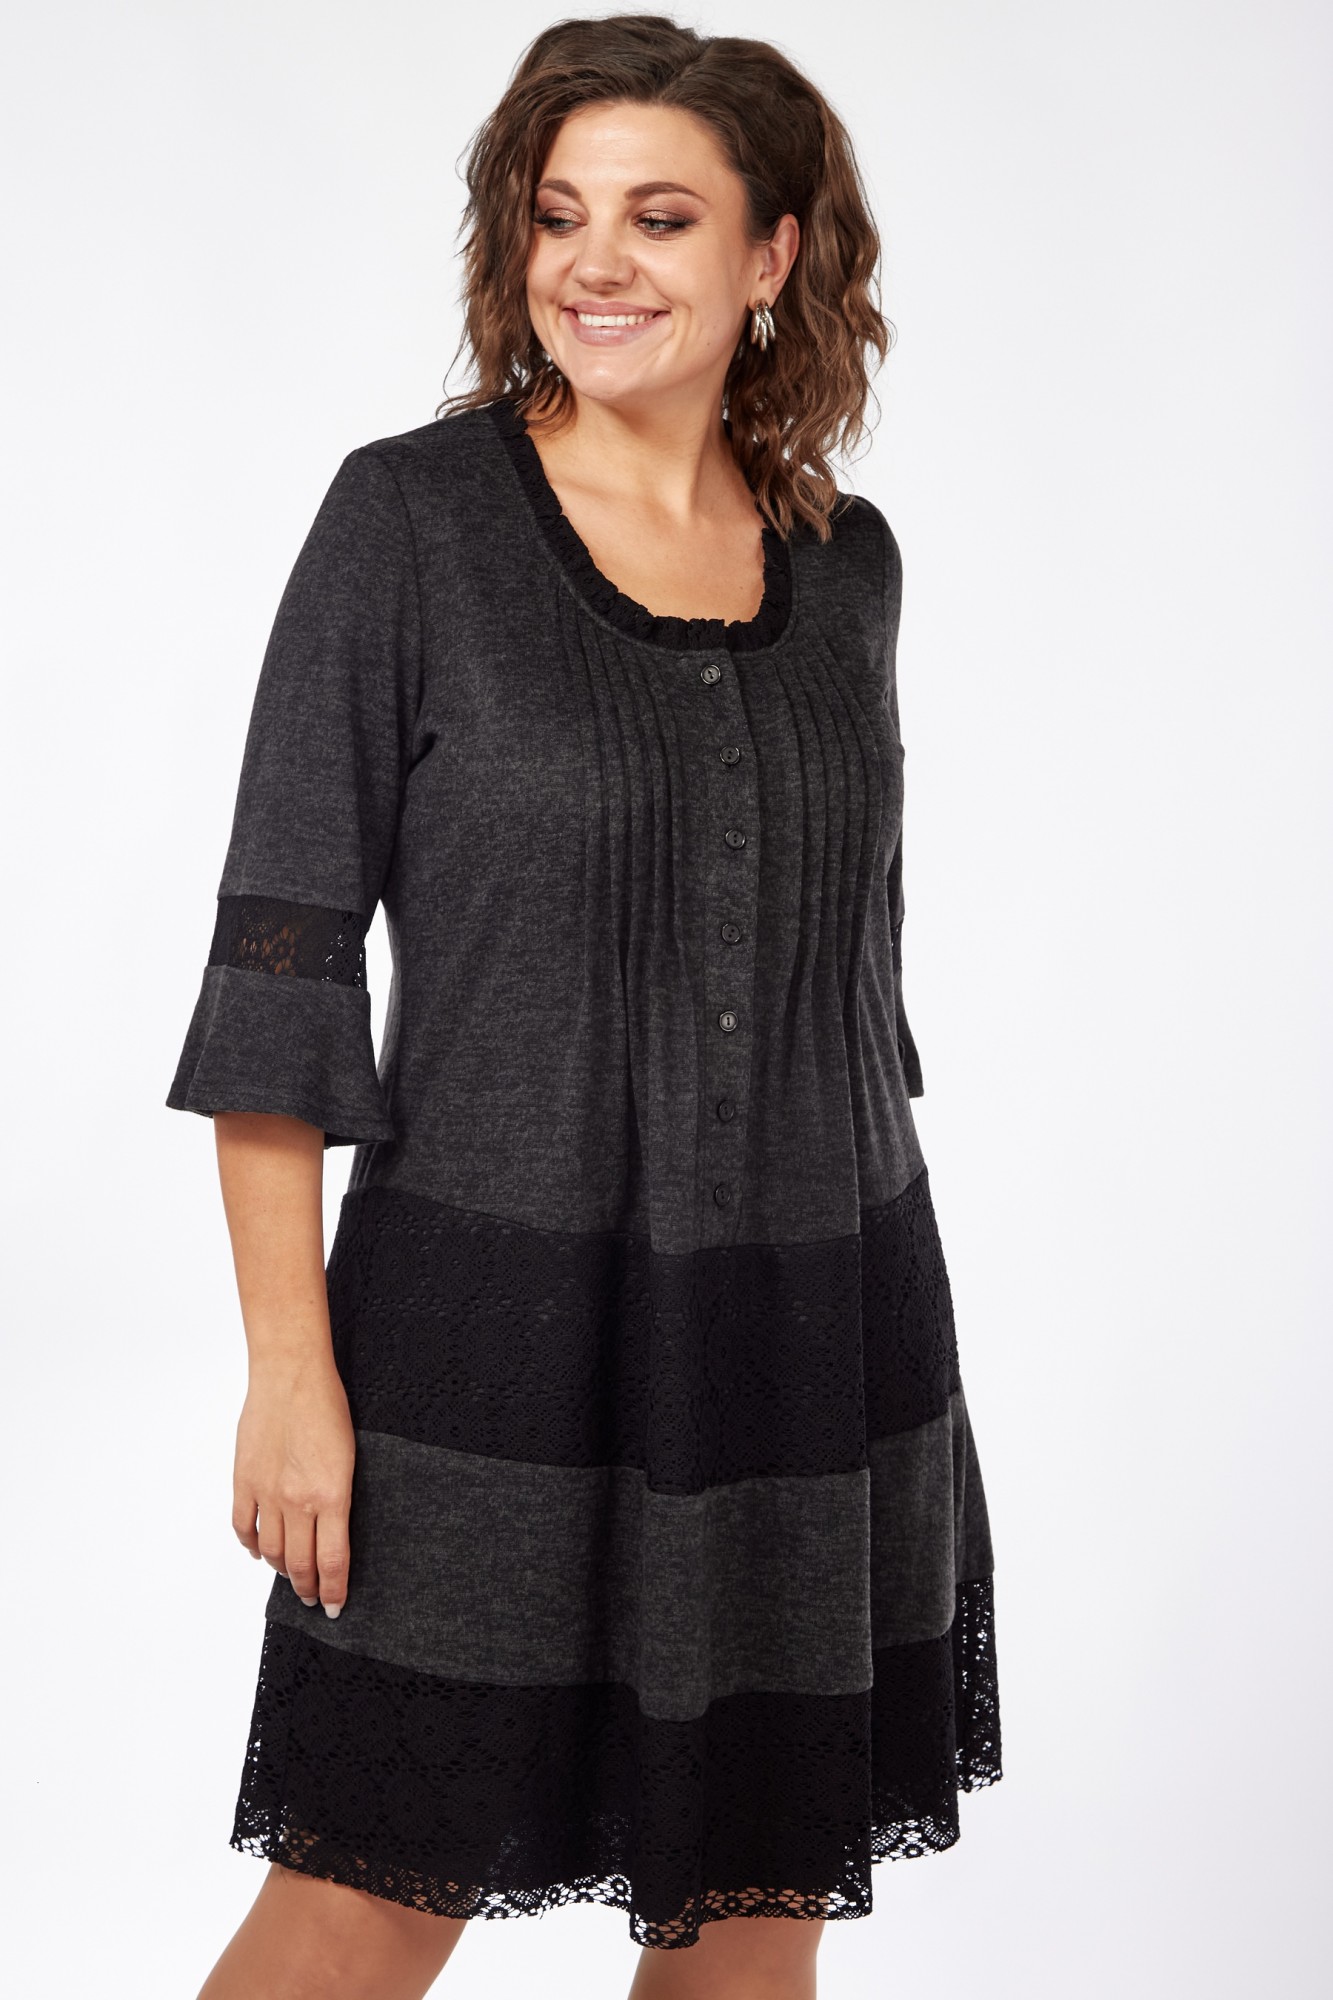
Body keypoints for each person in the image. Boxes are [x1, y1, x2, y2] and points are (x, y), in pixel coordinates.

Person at [166, 15, 1003, 1998]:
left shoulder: (845, 569)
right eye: (558, 216)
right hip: (485, 1337)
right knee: (366, 1903)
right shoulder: (411, 527)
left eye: (660, 217)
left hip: (809, 1328)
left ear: (772, 255)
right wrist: (290, 1370)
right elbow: (281, 968)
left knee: (752, 1916)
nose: (595, 262)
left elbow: (838, 986)